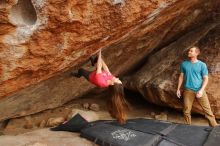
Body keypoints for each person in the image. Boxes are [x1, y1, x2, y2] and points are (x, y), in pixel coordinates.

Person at [71, 50, 129, 124]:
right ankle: (93, 61)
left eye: (117, 80)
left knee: (81, 70)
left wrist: (99, 51)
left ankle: (78, 75)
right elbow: (106, 68)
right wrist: (100, 57)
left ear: (113, 84)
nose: (117, 78)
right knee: (99, 61)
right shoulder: (111, 78)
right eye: (118, 79)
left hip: (91, 76)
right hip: (99, 73)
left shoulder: (101, 82)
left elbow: (99, 67)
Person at [177, 46, 218, 127]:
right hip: (188, 90)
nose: (189, 52)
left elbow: (206, 78)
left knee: (208, 111)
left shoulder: (202, 65)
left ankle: (214, 127)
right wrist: (178, 89)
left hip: (200, 90)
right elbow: (181, 76)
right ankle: (187, 126)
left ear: (196, 53)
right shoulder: (184, 64)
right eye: (189, 51)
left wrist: (201, 90)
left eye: (191, 51)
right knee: (186, 110)